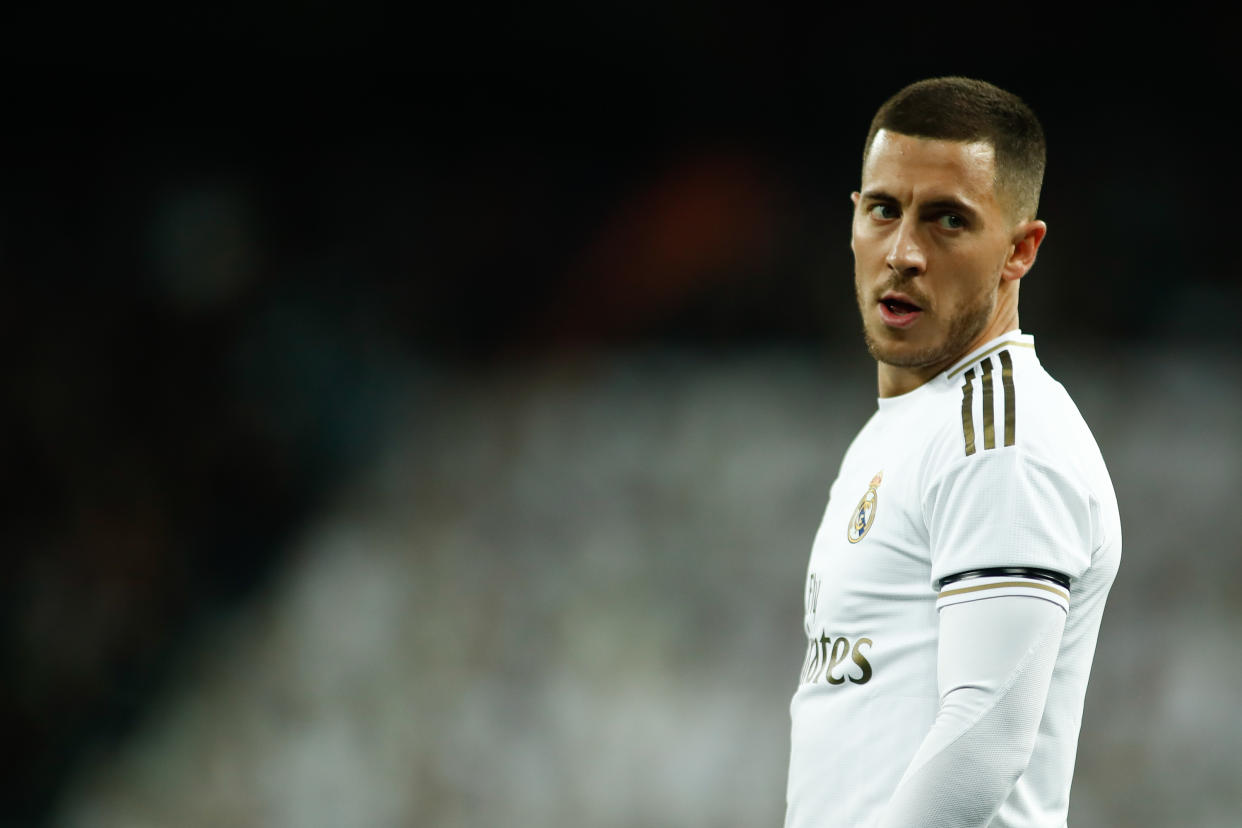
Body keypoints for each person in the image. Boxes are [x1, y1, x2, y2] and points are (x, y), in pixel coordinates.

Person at [784, 77, 1121, 827]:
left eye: (946, 220)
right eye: (883, 210)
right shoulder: (904, 429)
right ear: (853, 220)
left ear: (1019, 250)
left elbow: (984, 741)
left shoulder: (1002, 438)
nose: (903, 252)